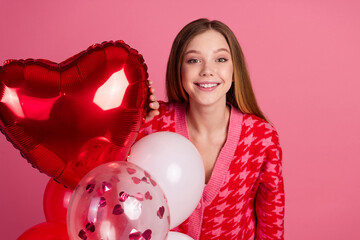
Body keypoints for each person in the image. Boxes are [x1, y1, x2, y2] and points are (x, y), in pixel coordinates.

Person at [142, 18, 284, 240]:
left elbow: (271, 229)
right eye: (194, 60)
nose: (208, 70)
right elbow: (109, 182)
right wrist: (129, 119)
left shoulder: (261, 138)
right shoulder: (151, 124)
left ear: (235, 70)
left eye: (220, 59)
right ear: (179, 69)